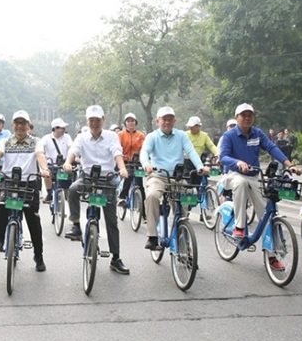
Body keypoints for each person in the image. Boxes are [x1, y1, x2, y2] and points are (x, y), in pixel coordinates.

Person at [219, 103, 301, 271]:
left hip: (254, 176)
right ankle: (239, 227)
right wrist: (238, 162)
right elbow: (223, 157)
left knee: (267, 216)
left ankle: (271, 256)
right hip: (234, 175)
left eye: (250, 115)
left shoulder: (257, 133)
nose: (247, 118)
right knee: (241, 183)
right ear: (237, 118)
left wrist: (289, 164)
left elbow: (271, 148)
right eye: (243, 115)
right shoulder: (229, 136)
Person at [62, 105, 130, 275]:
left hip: (107, 180)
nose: (94, 123)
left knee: (111, 222)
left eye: (97, 120)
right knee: (73, 189)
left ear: (103, 120)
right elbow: (73, 151)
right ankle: (76, 225)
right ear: (87, 121)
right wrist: (68, 162)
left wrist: (122, 169)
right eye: (91, 120)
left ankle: (115, 258)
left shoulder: (111, 136)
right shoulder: (82, 137)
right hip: (87, 178)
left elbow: (117, 153)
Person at [0, 110, 49, 271]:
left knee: (33, 220)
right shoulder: (6, 141)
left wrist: (44, 168)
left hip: (29, 183)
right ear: (13, 125)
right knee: (1, 206)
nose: (20, 126)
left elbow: (40, 155)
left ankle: (38, 256)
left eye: (23, 123)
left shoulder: (36, 141)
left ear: (28, 125)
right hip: (10, 182)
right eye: (17, 123)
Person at [140, 107, 206, 250]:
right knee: (152, 196)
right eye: (164, 119)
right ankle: (152, 236)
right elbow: (144, 152)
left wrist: (200, 166)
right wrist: (146, 164)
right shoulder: (152, 136)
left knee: (184, 206)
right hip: (158, 176)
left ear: (175, 121)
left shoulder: (181, 135)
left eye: (170, 119)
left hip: (176, 178)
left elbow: (191, 151)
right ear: (158, 121)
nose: (167, 122)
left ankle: (184, 244)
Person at [38, 118, 73, 203]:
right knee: (46, 174)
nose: (64, 129)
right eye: (62, 127)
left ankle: (66, 193)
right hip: (51, 164)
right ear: (55, 128)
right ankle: (49, 193)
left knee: (68, 177)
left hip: (63, 164)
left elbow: (72, 148)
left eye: (64, 128)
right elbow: (40, 148)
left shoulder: (67, 137)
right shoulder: (46, 138)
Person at [117, 112, 145, 207]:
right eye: (128, 121)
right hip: (124, 161)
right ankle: (122, 197)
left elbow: (144, 148)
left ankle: (144, 212)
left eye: (132, 121)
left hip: (137, 162)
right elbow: (117, 147)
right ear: (125, 123)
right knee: (128, 177)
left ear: (135, 122)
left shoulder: (140, 135)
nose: (130, 123)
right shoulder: (121, 134)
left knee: (140, 184)